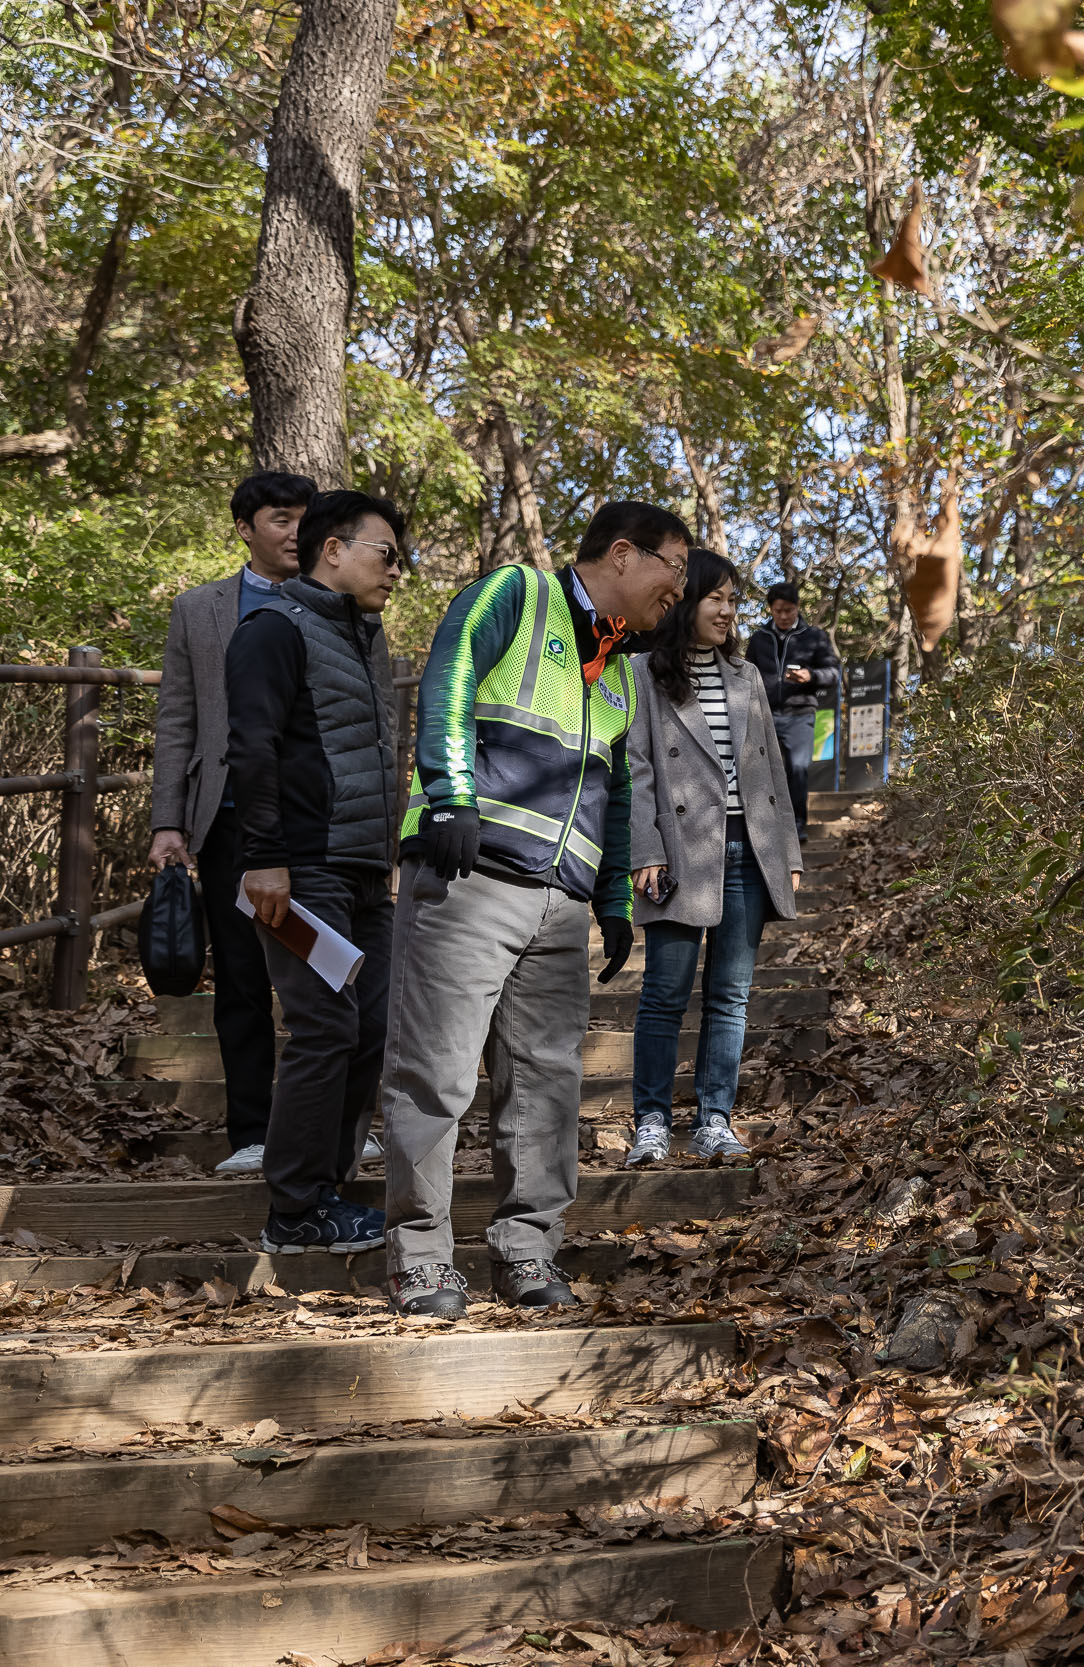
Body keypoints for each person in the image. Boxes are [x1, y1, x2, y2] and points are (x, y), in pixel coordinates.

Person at [378, 502, 687, 1318]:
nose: (679, 591)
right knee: (436, 1073)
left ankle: (526, 1250)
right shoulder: (516, 593)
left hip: (561, 904)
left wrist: (614, 898)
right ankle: (420, 1259)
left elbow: (617, 794)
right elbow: (446, 677)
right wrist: (448, 798)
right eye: (675, 569)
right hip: (467, 875)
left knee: (547, 1085)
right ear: (623, 555)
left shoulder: (619, 667)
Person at [149, 471, 360, 1177]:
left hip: (318, 826)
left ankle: (338, 1128)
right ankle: (250, 1131)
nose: (293, 532)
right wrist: (168, 821)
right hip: (231, 822)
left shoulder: (344, 603)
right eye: (279, 519)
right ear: (244, 527)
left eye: (304, 520)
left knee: (330, 972)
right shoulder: (199, 609)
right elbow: (178, 718)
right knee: (241, 977)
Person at [225, 490, 406, 1252]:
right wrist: (264, 859)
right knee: (325, 1024)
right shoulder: (273, 630)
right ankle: (294, 1209)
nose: (398, 570)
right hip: (302, 868)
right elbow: (253, 748)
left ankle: (326, 1191)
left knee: (370, 1027)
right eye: (386, 554)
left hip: (364, 867)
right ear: (333, 549)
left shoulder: (366, 636)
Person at [622, 550, 805, 1168]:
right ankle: (650, 1122)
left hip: (748, 851)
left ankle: (714, 1120)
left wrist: (787, 849)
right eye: (716, 599)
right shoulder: (643, 672)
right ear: (685, 603)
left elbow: (770, 772)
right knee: (664, 994)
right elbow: (638, 769)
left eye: (733, 600)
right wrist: (644, 848)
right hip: (679, 853)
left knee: (730, 995)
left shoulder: (747, 675)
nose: (728, 612)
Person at [746, 582, 838, 843]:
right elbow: (747, 673)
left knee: (797, 768)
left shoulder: (815, 637)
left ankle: (797, 826)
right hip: (764, 715)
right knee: (761, 769)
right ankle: (765, 826)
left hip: (800, 714)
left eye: (789, 610)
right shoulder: (759, 638)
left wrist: (811, 675)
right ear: (770, 610)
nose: (784, 616)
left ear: (798, 607)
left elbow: (833, 674)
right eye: (778, 611)